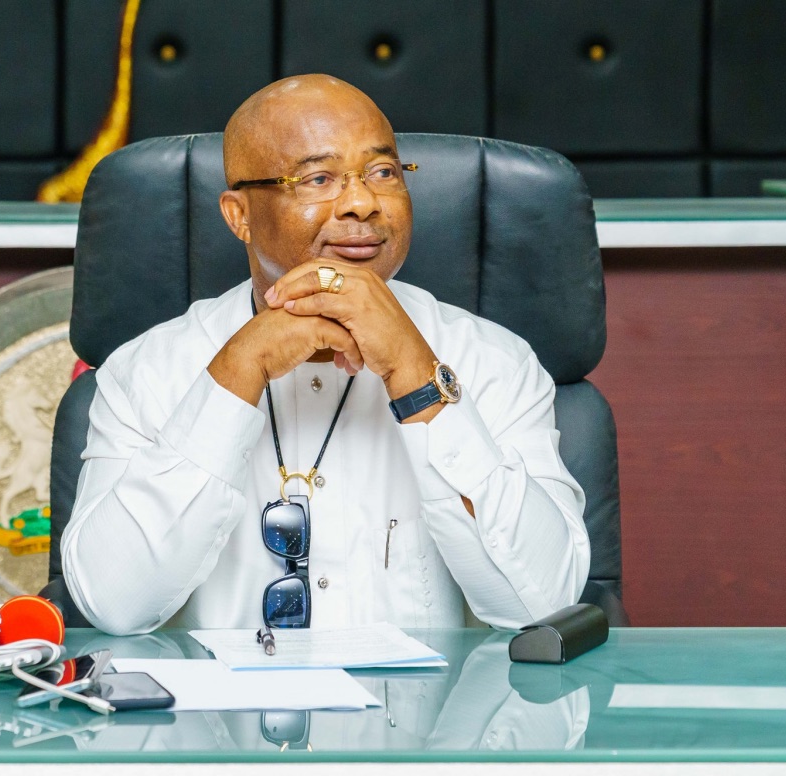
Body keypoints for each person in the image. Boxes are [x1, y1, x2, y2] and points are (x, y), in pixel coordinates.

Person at [61, 74, 589, 635]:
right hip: (219, 694)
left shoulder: (493, 361)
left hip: (430, 696)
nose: (362, 203)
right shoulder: (146, 372)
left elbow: (541, 607)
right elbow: (114, 606)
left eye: (383, 173)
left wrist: (415, 373)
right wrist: (237, 372)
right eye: (318, 178)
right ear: (239, 215)